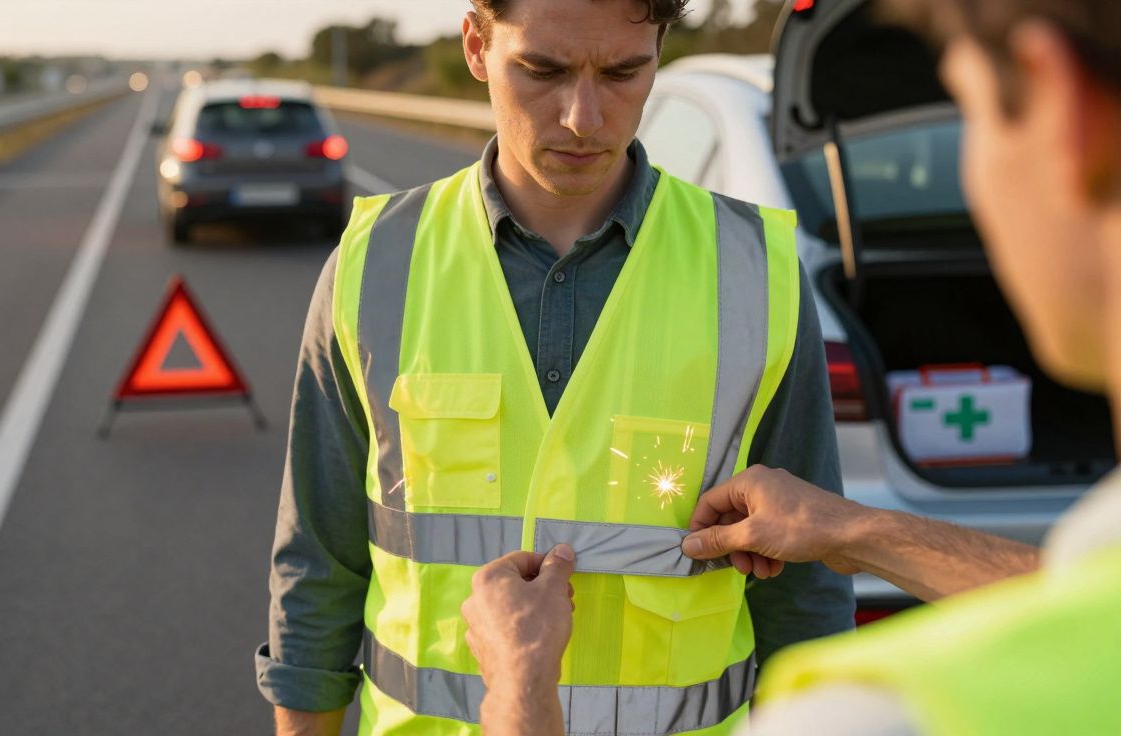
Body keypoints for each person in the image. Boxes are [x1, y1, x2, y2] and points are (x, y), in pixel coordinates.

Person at [462, 0, 1121, 733]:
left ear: (1063, 111)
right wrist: (854, 530)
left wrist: (519, 688)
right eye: (544, 70)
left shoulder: (886, 714)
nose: (585, 117)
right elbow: (1092, 601)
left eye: (967, 114)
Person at [255, 0, 855, 733]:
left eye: (625, 72)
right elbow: (320, 568)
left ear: (660, 49)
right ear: (476, 46)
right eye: (543, 70)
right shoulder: (374, 263)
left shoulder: (757, 274)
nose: (583, 116)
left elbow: (806, 595)